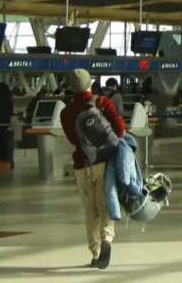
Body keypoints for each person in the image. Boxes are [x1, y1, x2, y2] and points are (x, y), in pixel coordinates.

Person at [60, 68, 126, 269]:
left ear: (70, 88)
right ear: (90, 84)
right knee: (105, 205)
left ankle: (95, 253)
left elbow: (74, 140)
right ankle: (107, 238)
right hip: (104, 163)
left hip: (82, 165)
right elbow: (121, 130)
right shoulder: (103, 103)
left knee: (90, 211)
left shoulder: (66, 112)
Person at [0, 82, 15, 171]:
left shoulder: (2, 99)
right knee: (3, 142)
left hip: (0, 123)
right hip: (5, 122)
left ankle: (3, 161)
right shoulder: (8, 99)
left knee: (1, 142)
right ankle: (5, 162)